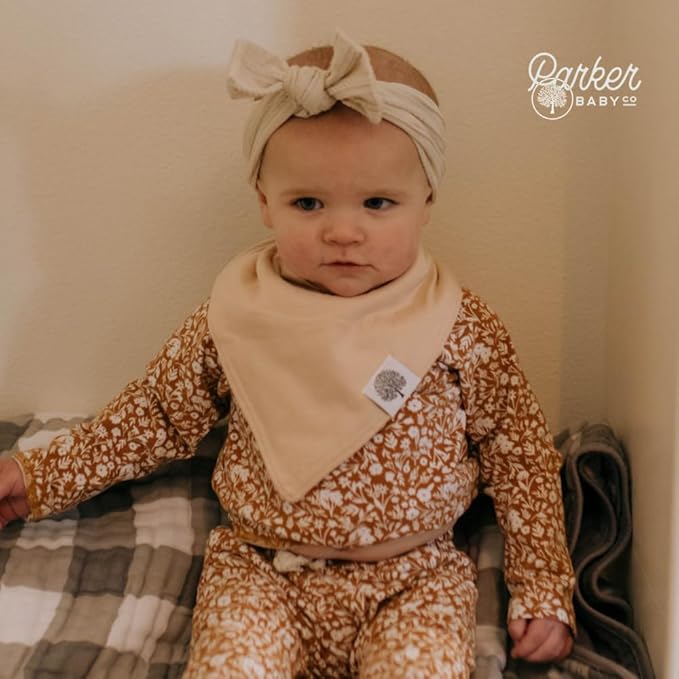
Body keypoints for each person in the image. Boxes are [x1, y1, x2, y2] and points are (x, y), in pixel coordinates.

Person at [0, 31, 575, 678]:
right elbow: (156, 414)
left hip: (413, 578)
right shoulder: (235, 316)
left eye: (377, 203)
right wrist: (36, 477)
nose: (342, 231)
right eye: (307, 202)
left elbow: (519, 453)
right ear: (264, 202)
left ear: (427, 200)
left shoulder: (459, 326)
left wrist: (543, 586)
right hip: (260, 571)